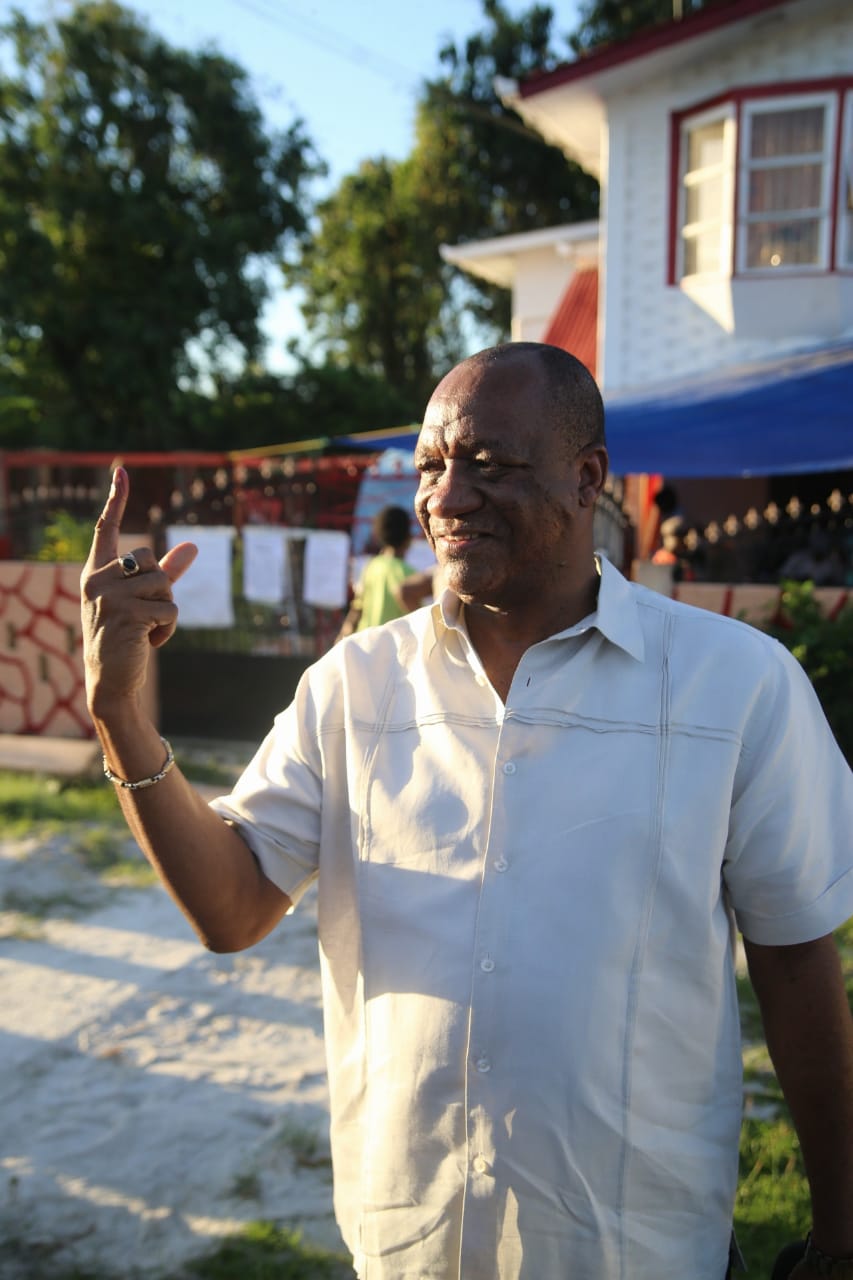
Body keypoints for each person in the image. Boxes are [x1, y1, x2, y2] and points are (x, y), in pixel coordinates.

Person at [81, 342, 853, 1280]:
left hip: (640, 1252)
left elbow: (796, 963)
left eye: (489, 464)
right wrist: (120, 713)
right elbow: (233, 909)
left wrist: (840, 1230)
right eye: (431, 467)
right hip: (411, 1249)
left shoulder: (733, 686)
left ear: (586, 478)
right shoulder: (351, 687)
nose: (445, 498)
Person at [337, 504, 434, 639]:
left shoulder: (371, 566)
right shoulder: (409, 574)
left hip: (364, 643)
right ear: (408, 538)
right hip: (391, 649)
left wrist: (342, 637)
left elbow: (357, 608)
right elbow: (418, 618)